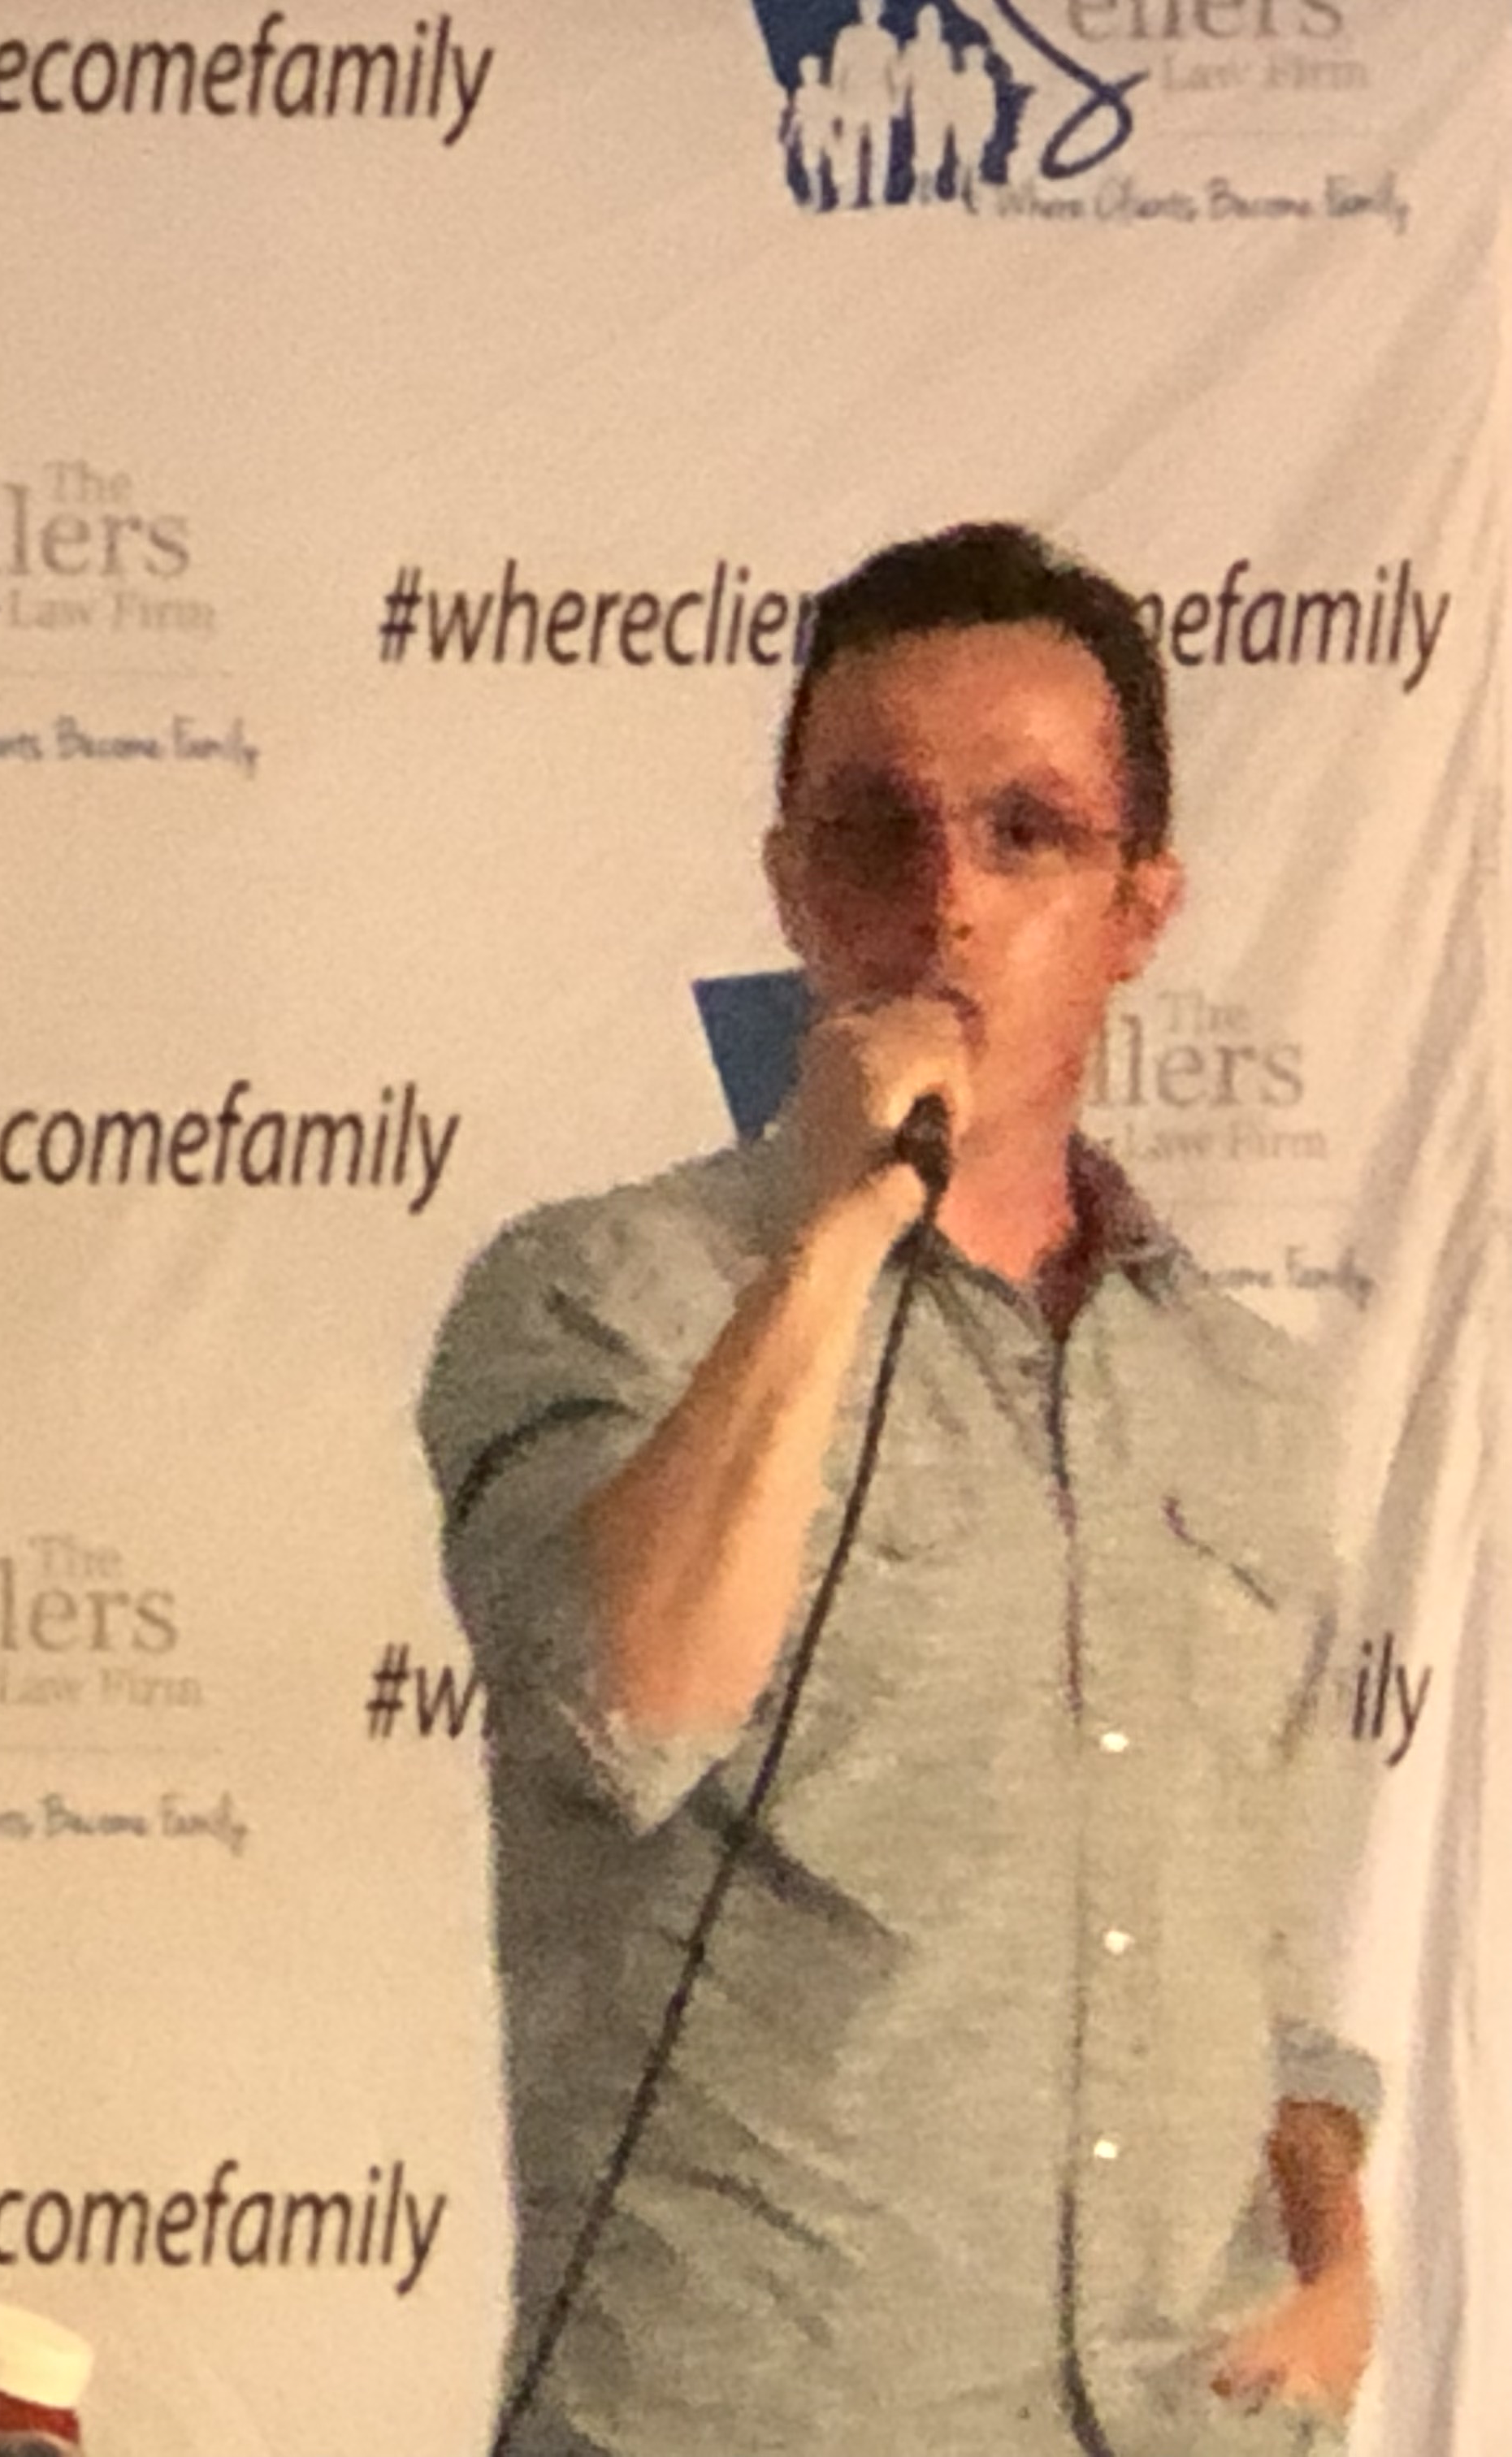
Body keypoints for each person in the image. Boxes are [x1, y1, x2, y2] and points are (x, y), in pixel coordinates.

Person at [419, 524, 1379, 2457]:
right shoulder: (606, 1294)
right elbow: (626, 1707)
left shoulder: (1244, 1402)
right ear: (792, 887)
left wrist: (1340, 2250)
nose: (944, 901)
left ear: (1139, 907)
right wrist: (840, 1229)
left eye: (1028, 835)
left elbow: (1273, 1958)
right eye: (876, 834)